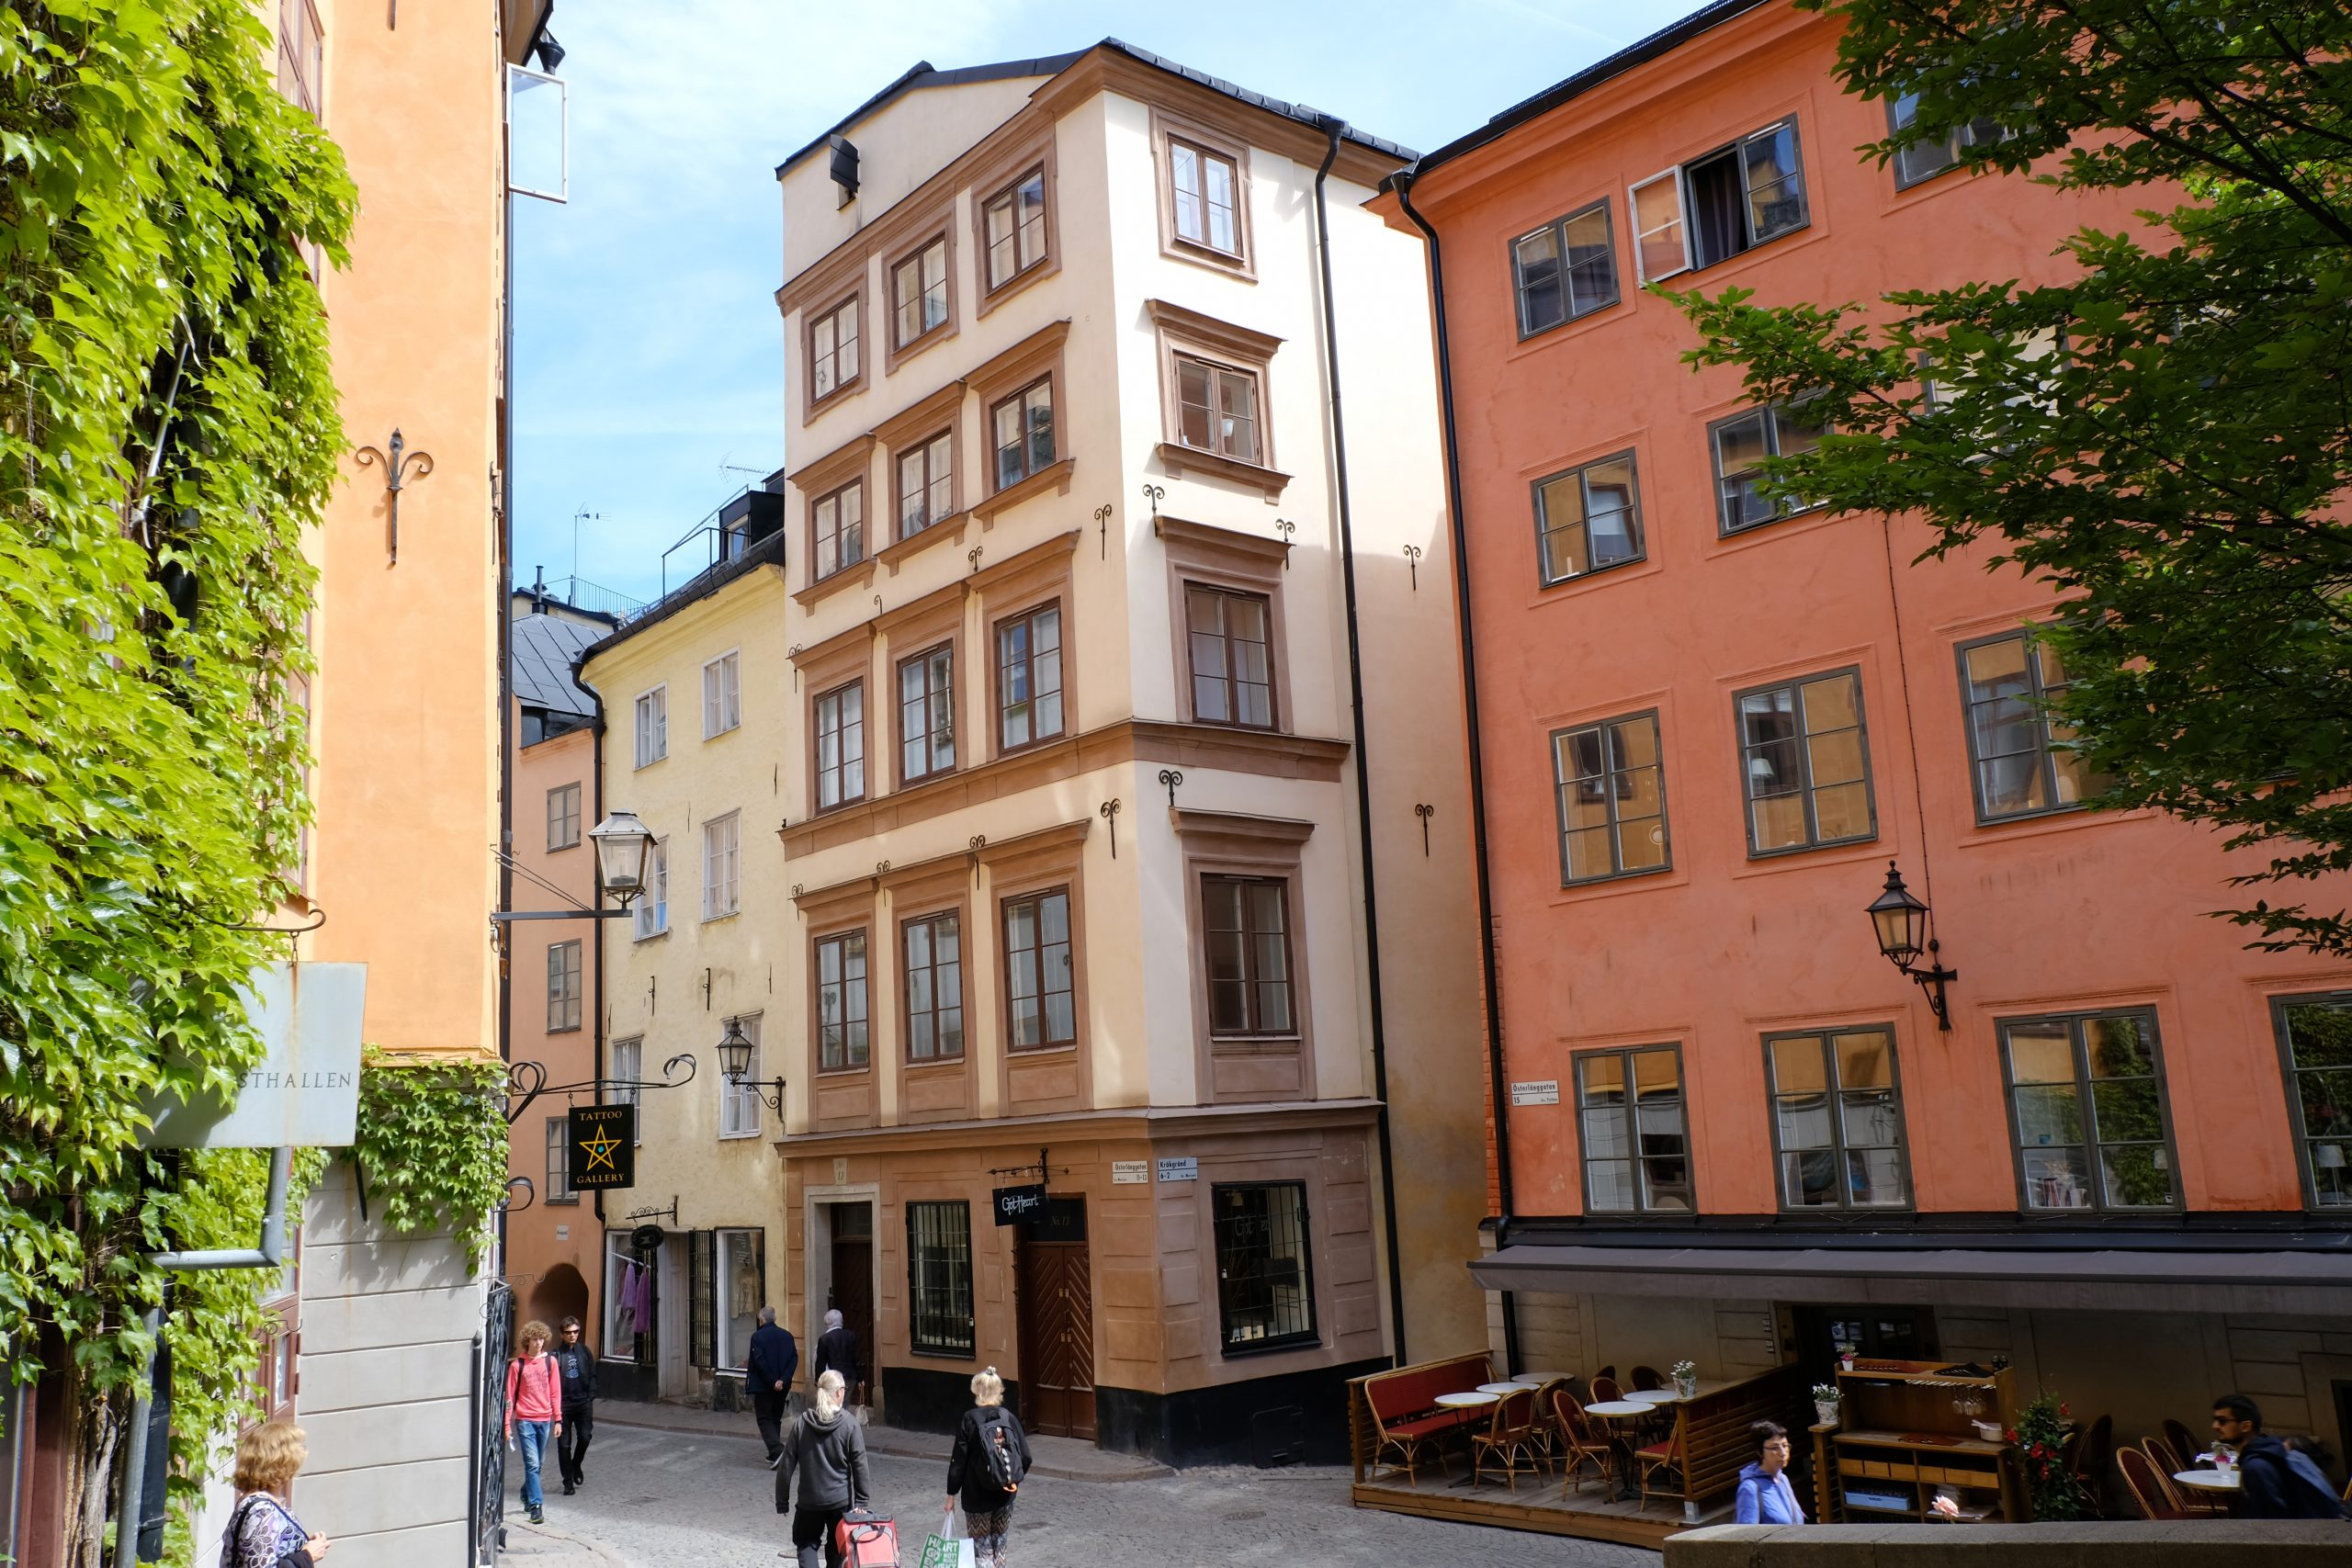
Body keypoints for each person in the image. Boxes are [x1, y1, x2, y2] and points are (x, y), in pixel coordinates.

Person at [775, 1369, 871, 1568]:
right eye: (844, 1389)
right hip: (839, 1501)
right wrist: (862, 1501)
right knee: (837, 1546)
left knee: (806, 1544)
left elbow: (786, 1465)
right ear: (838, 1393)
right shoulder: (849, 1425)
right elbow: (860, 1464)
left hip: (809, 1502)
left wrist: (782, 1501)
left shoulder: (802, 1423)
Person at [944, 1368, 1032, 1568]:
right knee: (1000, 1547)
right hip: (1005, 1495)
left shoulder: (970, 1419)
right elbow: (1026, 1457)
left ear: (977, 1391)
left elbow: (958, 1461)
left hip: (977, 1496)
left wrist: (951, 1496)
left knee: (981, 1550)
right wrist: (1010, 1479)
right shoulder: (1008, 1417)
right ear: (999, 1390)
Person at [2215, 1393, 2345, 1518]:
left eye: (2222, 1421)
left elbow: (2271, 1523)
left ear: (2246, 1426)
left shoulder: (2256, 1466)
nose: (2215, 1426)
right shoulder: (2271, 1451)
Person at [223, 1421, 331, 1568]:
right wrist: (307, 1556)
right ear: (284, 1462)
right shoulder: (262, 1511)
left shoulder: (260, 1502)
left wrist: (304, 1546)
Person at [504, 1320, 563, 1525]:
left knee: (539, 1464)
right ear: (527, 1341)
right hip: (525, 1420)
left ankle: (525, 1492)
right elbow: (509, 1397)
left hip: (545, 1419)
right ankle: (536, 1507)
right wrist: (506, 1425)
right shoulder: (517, 1365)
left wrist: (558, 1419)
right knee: (532, 1464)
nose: (538, 1343)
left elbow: (555, 1392)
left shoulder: (550, 1363)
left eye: (541, 1339)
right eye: (534, 1339)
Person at [747, 1305, 800, 1463]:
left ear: (761, 1319)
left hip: (764, 1386)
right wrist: (783, 1379)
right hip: (782, 1385)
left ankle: (777, 1451)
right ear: (775, 1318)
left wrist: (773, 1381)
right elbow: (793, 1359)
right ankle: (774, 1454)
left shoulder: (758, 1337)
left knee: (764, 1418)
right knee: (775, 1417)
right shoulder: (787, 1336)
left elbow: (760, 1362)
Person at [553, 1315, 597, 1495]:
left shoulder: (584, 1351)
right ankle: (567, 1481)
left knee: (585, 1437)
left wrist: (590, 1395)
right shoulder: (556, 1355)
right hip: (564, 1405)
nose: (572, 1335)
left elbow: (592, 1374)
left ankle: (576, 1464)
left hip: (583, 1402)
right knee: (564, 1445)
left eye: (575, 1331)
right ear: (562, 1334)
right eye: (568, 1332)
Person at [1734, 1420, 1806, 1525]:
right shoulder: (1750, 1489)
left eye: (1785, 1446)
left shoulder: (1783, 1479)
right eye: (1775, 1448)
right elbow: (1746, 1533)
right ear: (1759, 1452)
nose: (1783, 1453)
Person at [813, 1308, 863, 1409]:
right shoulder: (851, 1335)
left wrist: (818, 1381)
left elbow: (820, 1363)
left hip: (833, 1379)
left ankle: (836, 1419)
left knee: (832, 1406)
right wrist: (860, 1378)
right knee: (845, 1404)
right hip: (850, 1377)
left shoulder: (824, 1339)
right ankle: (843, 1419)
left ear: (827, 1322)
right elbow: (856, 1358)